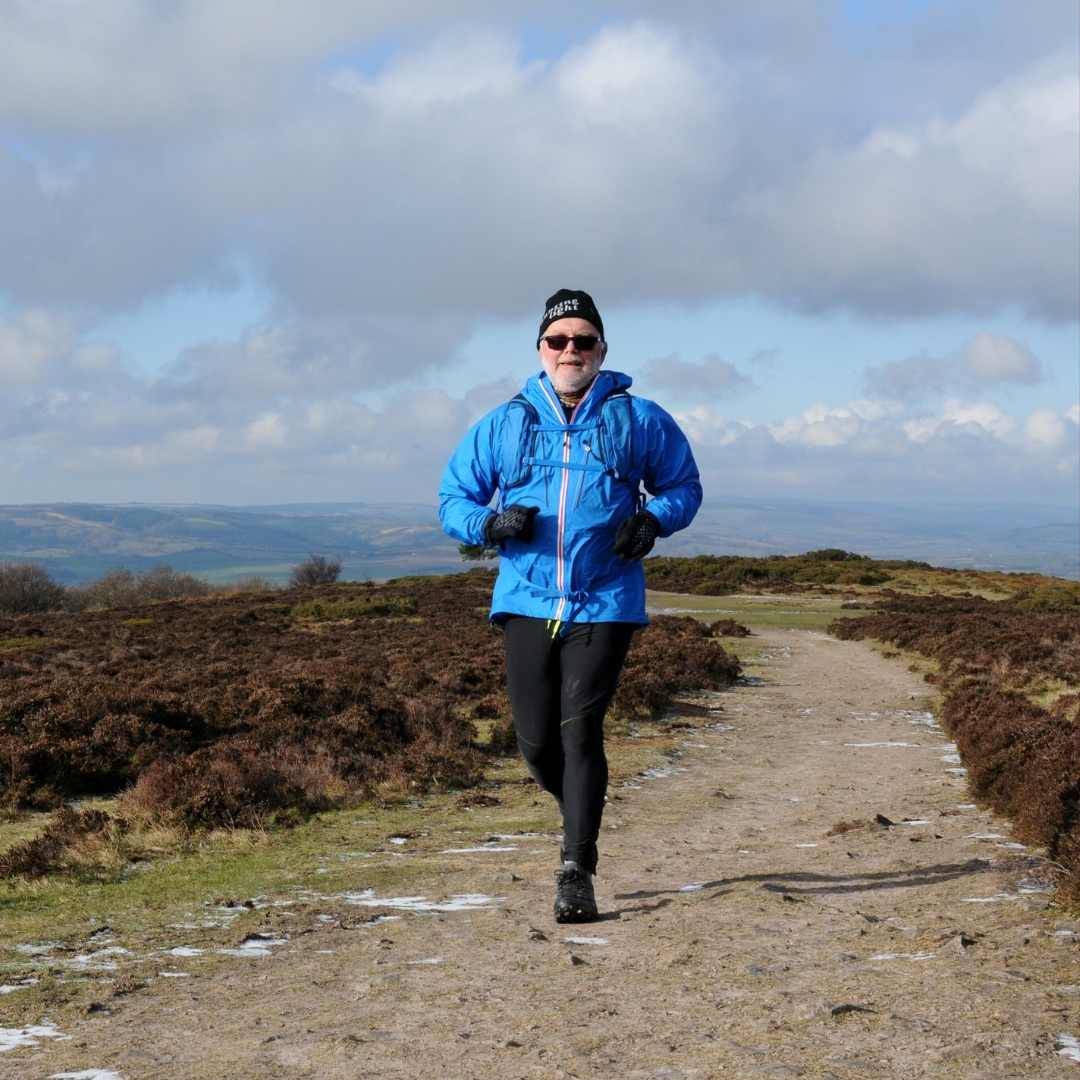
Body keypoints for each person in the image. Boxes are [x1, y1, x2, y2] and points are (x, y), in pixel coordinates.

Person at [438, 289, 702, 922]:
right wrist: (490, 525)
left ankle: (575, 868)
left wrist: (653, 520)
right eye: (559, 341)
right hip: (526, 598)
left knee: (580, 730)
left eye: (584, 341)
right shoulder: (503, 423)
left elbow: (683, 486)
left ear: (602, 350)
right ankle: (582, 808)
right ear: (540, 350)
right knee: (534, 743)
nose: (571, 351)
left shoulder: (639, 419)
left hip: (606, 599)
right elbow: (453, 499)